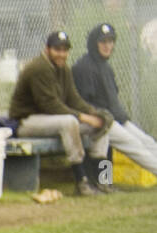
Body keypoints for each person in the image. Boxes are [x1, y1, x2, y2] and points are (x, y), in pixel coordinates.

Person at [10, 32, 112, 196]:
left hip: (50, 120)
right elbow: (50, 105)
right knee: (69, 122)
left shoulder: (63, 67)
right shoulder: (38, 68)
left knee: (104, 125)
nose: (62, 54)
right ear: (47, 49)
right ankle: (81, 183)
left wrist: (95, 114)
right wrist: (84, 118)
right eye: (57, 49)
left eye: (65, 50)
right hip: (26, 122)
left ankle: (104, 180)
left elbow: (74, 99)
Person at [73, 23, 157, 178]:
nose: (107, 45)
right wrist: (103, 118)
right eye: (103, 42)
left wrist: (122, 119)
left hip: (117, 119)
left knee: (148, 142)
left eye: (110, 41)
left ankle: (106, 181)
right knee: (136, 146)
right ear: (94, 43)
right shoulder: (83, 67)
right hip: (100, 120)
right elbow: (84, 103)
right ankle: (105, 180)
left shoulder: (105, 66)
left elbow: (113, 100)